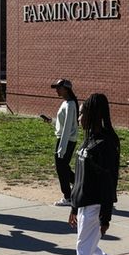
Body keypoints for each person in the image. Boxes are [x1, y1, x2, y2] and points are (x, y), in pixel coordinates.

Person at [66, 93, 129, 255]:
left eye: (82, 112)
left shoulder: (106, 144)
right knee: (88, 250)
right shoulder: (88, 139)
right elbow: (80, 177)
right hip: (83, 206)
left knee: (83, 253)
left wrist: (106, 216)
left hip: (96, 207)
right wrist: (73, 206)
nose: (79, 116)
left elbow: (109, 182)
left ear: (93, 114)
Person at [42, 79, 79, 207]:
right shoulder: (66, 103)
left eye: (59, 88)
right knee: (63, 167)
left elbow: (68, 127)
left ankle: (68, 197)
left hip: (66, 140)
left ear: (66, 89)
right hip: (65, 139)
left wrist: (62, 147)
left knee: (61, 168)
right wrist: (51, 121)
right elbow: (63, 124)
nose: (56, 90)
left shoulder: (70, 105)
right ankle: (80, 183)